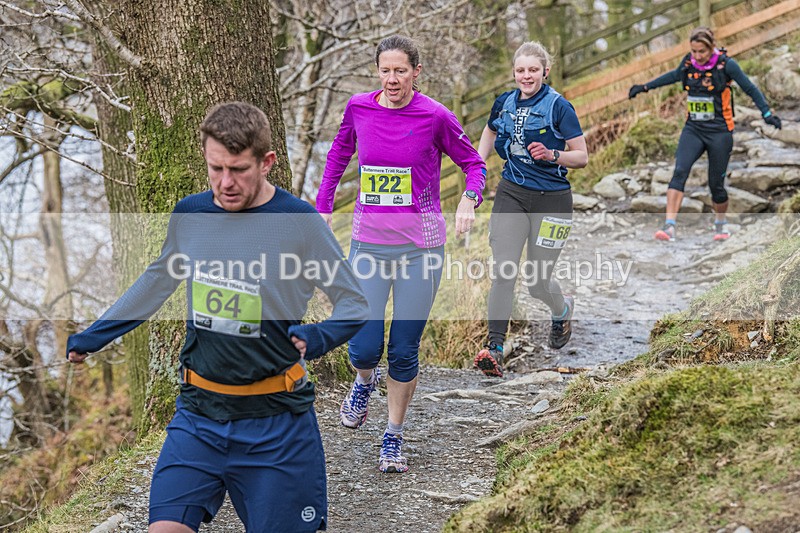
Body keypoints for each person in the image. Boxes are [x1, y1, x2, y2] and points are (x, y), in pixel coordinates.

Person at [67, 102, 368, 533]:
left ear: (266, 163)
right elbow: (156, 282)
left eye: (238, 169)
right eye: (215, 168)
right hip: (199, 417)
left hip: (276, 426)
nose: (225, 183)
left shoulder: (298, 223)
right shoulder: (191, 215)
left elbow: (355, 302)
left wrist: (319, 336)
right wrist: (95, 336)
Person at [316, 35, 486, 473]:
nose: (392, 79)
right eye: (385, 70)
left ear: (416, 72)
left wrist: (470, 198)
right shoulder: (359, 108)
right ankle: (363, 383)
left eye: (401, 71)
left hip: (420, 249)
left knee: (404, 350)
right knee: (363, 345)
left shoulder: (434, 115)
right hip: (369, 244)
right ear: (377, 71)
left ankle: (393, 435)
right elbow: (338, 154)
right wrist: (322, 206)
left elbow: (474, 164)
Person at [473, 41, 588, 378]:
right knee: (504, 271)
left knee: (537, 281)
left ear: (545, 72)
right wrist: (478, 168)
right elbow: (490, 131)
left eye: (533, 70)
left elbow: (581, 156)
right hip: (511, 194)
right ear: (514, 73)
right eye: (521, 70)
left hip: (553, 200)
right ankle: (494, 348)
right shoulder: (504, 103)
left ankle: (561, 307)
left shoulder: (559, 107)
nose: (527, 76)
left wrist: (553, 155)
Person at [629, 26, 782, 242]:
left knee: (715, 185)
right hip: (694, 129)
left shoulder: (726, 65)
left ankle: (721, 224)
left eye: (702, 51)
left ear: (711, 48)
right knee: (680, 171)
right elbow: (674, 76)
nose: (698, 56)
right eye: (694, 51)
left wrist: (766, 113)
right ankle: (669, 226)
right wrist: (645, 87)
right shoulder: (689, 63)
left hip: (720, 132)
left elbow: (750, 88)